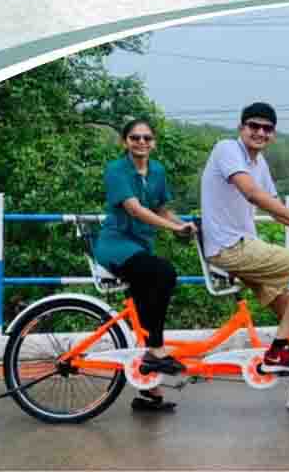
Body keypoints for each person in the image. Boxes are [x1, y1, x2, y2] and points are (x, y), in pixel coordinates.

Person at [200, 101, 289, 411]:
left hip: (242, 245)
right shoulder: (227, 149)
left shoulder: (260, 163)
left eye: (267, 128)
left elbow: (278, 210)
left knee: (287, 313)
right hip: (230, 247)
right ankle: (278, 351)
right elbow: (253, 195)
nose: (260, 132)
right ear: (241, 128)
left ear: (273, 135)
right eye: (253, 126)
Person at [93, 118, 197, 413]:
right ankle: (157, 350)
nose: (141, 142)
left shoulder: (158, 171)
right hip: (116, 245)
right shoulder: (116, 170)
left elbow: (161, 207)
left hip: (141, 248)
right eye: (135, 137)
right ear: (125, 142)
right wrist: (170, 228)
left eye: (147, 138)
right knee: (164, 273)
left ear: (153, 142)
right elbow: (135, 209)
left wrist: (182, 224)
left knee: (143, 312)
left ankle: (148, 393)